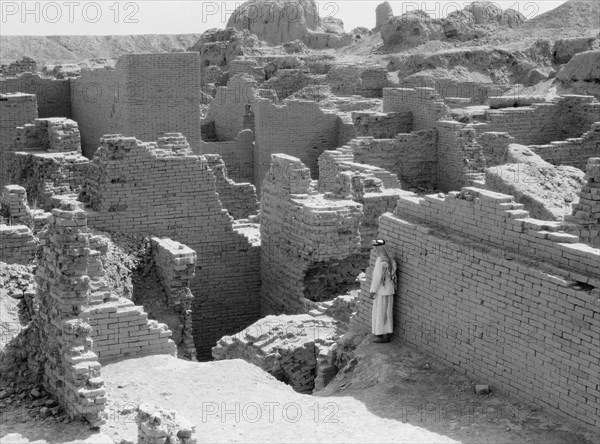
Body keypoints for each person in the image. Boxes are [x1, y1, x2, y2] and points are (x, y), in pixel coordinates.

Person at [369, 239, 397, 343]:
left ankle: (381, 336)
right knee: (387, 312)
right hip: (389, 289)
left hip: (381, 290)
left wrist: (372, 291)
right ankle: (387, 334)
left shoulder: (380, 260)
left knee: (380, 313)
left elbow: (377, 277)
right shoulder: (391, 258)